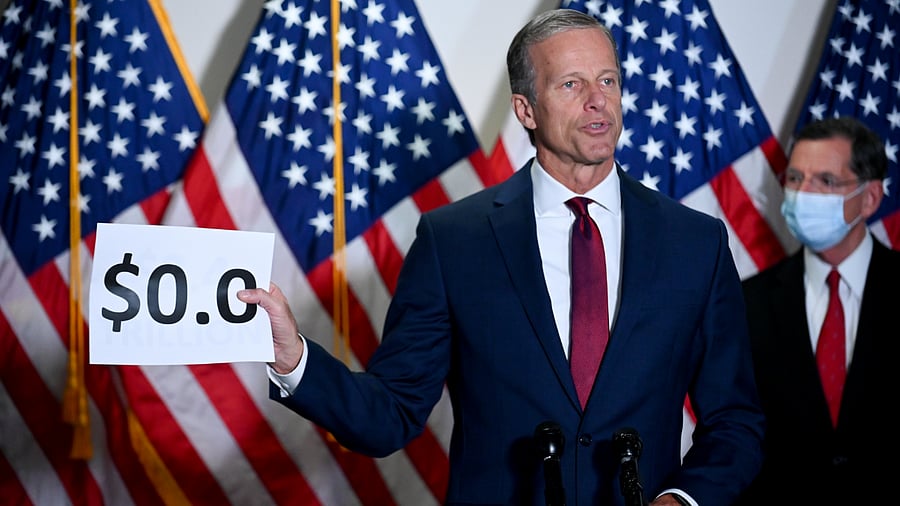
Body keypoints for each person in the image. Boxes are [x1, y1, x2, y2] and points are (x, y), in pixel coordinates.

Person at [239, 8, 764, 505]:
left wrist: (681, 499)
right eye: (571, 85)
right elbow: (390, 412)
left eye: (607, 80)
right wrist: (293, 360)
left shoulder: (695, 242)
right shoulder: (454, 240)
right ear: (526, 109)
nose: (598, 101)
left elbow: (735, 422)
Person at [737, 116, 900, 505]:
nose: (803, 194)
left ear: (870, 197)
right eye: (795, 179)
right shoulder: (748, 301)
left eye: (825, 181)